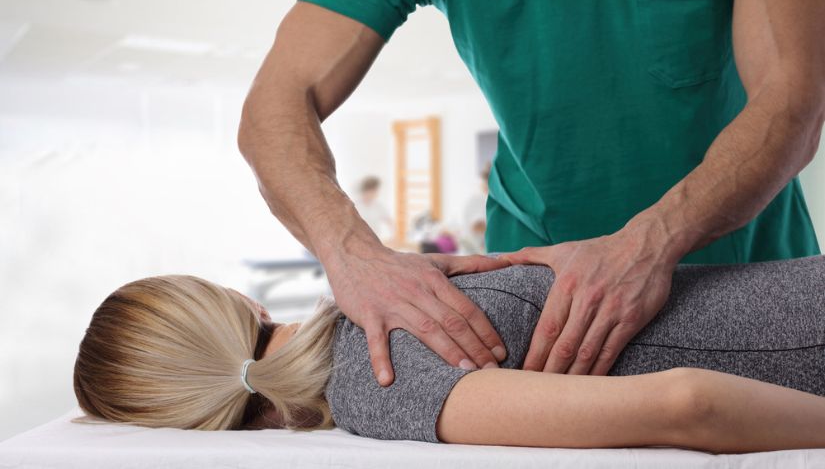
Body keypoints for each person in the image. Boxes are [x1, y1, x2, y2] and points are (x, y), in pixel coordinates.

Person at [237, 0, 825, 386]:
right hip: (534, 296)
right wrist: (352, 258)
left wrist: (650, 245)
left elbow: (793, 101)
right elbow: (274, 107)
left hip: (750, 270)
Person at [73, 254, 825, 452]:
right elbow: (681, 404)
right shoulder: (379, 346)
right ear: (237, 306)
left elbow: (687, 404)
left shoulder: (375, 371)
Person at [353, 176, 393, 242]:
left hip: (374, 241)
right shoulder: (355, 205)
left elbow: (389, 221)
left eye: (375, 191)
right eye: (373, 191)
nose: (375, 193)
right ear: (366, 190)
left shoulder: (378, 206)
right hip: (358, 241)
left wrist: (392, 237)